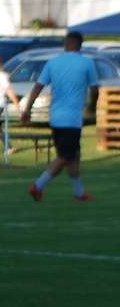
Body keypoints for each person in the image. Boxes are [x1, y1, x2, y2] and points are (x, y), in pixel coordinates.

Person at [23, 31, 98, 202]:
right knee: (65, 157)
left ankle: (79, 193)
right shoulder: (87, 62)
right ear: (80, 45)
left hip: (55, 117)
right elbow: (95, 89)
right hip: (71, 119)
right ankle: (37, 186)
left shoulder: (53, 62)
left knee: (74, 155)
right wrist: (92, 107)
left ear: (67, 43)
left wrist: (27, 110)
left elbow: (37, 87)